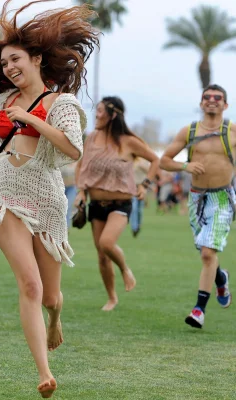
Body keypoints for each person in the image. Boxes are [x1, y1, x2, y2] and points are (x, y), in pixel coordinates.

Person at [0, 1, 98, 397]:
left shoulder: (62, 104)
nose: (9, 67)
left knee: (50, 296)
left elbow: (73, 149)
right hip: (3, 193)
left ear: (36, 59)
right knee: (30, 285)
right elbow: (9, 146)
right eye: (4, 63)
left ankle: (56, 319)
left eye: (15, 59)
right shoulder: (6, 100)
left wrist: (31, 119)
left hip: (47, 197)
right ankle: (44, 372)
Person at [160, 84, 236, 329]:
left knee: (208, 253)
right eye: (207, 97)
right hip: (196, 198)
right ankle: (221, 279)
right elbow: (164, 161)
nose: (212, 100)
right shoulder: (188, 131)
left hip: (221, 198)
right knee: (206, 251)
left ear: (225, 104)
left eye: (217, 97)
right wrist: (185, 166)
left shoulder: (235, 130)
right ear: (201, 103)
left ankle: (199, 310)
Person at [75, 97, 159, 311]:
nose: (96, 115)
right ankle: (112, 298)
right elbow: (81, 166)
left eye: (100, 111)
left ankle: (124, 269)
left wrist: (145, 185)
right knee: (102, 257)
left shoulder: (128, 141)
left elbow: (155, 160)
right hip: (96, 204)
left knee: (106, 243)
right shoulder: (91, 138)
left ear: (113, 115)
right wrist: (81, 192)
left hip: (120, 204)